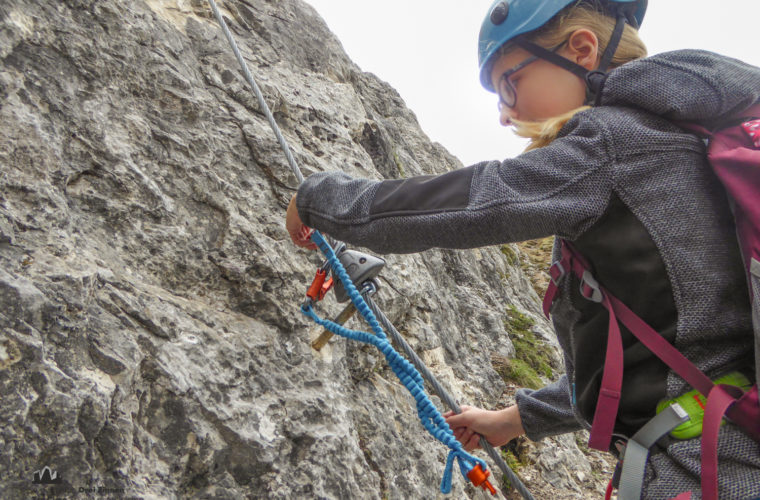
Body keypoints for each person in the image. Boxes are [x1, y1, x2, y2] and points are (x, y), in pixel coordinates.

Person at [286, 0, 760, 497]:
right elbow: (673, 356)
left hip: (703, 469)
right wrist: (514, 420)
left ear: (581, 48)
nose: (504, 113)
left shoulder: (609, 144)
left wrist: (322, 199)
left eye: (509, 83)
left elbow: (475, 202)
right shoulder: (684, 143)